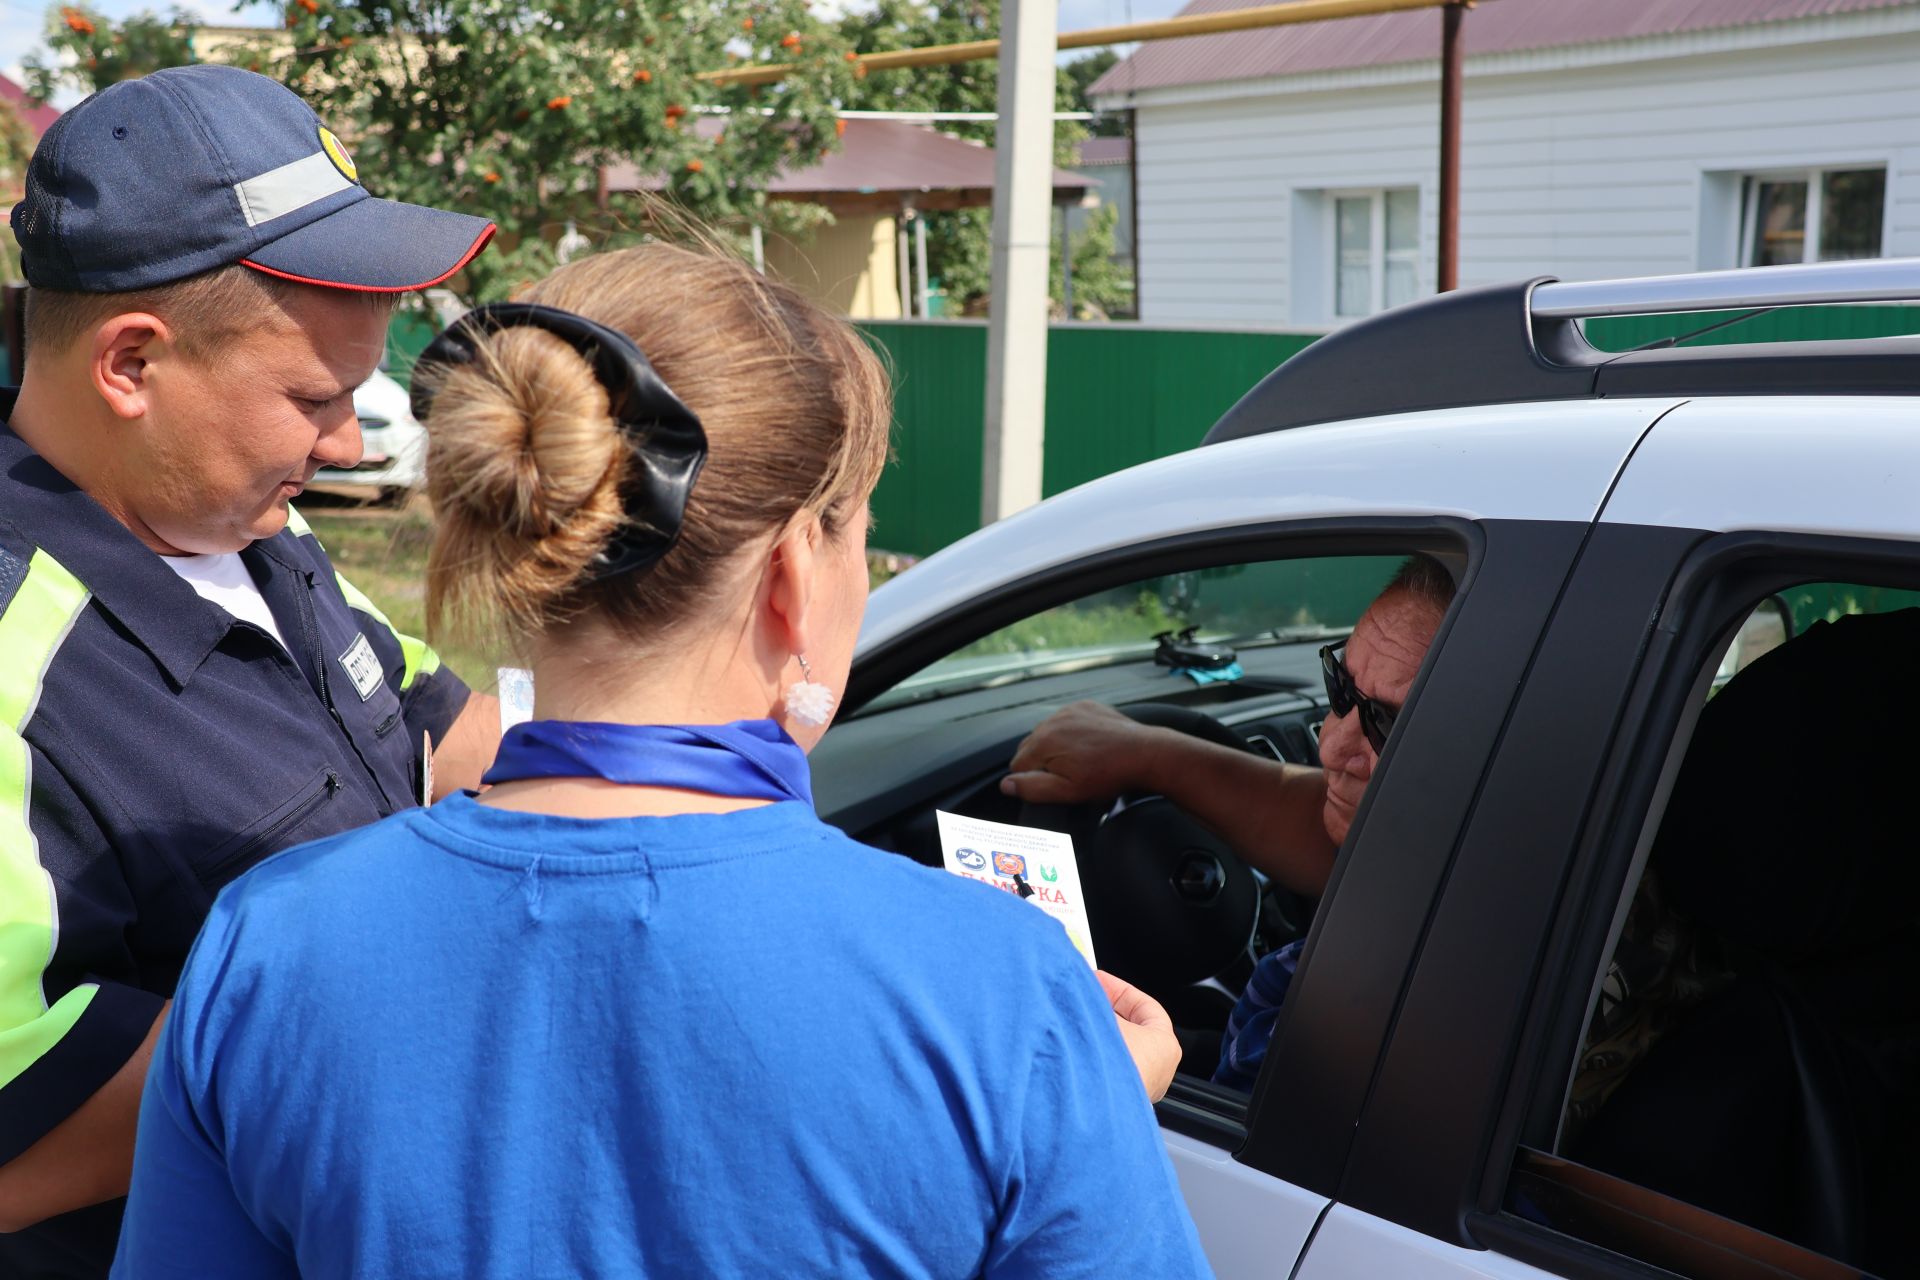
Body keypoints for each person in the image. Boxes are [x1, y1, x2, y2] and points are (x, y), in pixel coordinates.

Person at [111, 245, 1211, 1279]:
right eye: (857, 538)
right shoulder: (1006, 997)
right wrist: (1089, 1113)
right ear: (791, 573)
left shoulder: (268, 942)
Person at [0, 66, 504, 1275]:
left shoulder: (248, 528)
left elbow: (433, 717)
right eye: (311, 398)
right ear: (130, 363)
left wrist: (638, 774)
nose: (344, 443)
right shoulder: (18, 652)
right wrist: (418, 989)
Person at [1001, 556, 1455, 1088]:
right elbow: (1337, 830)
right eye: (1342, 688)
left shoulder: (1369, 1027)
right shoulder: (1451, 858)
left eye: (1388, 725)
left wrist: (1101, 1066)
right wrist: (1148, 754)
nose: (1329, 745)